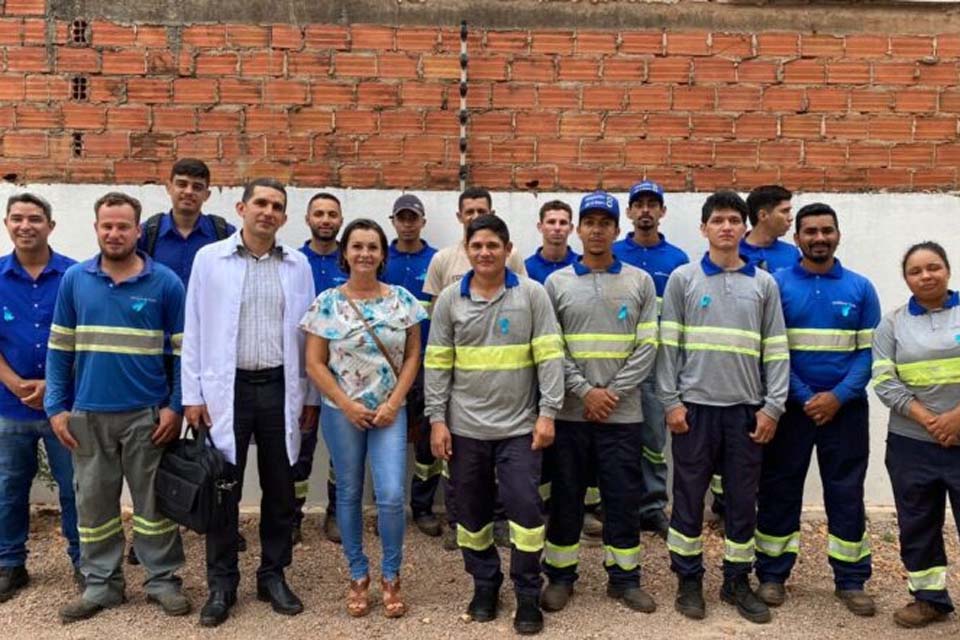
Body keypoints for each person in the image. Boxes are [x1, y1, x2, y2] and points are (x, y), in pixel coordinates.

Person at [46, 192, 190, 623]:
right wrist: (56, 406)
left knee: (154, 507)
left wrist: (175, 407)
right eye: (106, 225)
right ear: (96, 228)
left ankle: (162, 580)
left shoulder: (165, 283)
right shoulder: (75, 279)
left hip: (147, 415)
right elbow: (59, 350)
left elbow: (184, 354)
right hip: (88, 415)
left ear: (137, 229)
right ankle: (101, 584)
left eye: (123, 226)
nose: (114, 233)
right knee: (93, 506)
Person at [181, 178, 319, 627]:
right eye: (260, 202)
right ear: (241, 208)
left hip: (281, 387)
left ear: (284, 216)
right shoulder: (210, 259)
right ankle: (222, 583)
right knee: (224, 489)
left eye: (277, 206)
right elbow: (195, 328)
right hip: (228, 389)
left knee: (281, 487)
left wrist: (310, 394)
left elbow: (308, 335)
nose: (268, 211)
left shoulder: (297, 264)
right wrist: (192, 395)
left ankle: (272, 574)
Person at [426, 215, 564, 635]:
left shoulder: (532, 295)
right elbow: (437, 363)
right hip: (465, 429)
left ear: (507, 249)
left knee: (525, 512)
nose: (485, 253)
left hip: (520, 428)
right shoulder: (451, 298)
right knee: (470, 515)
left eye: (493, 245)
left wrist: (548, 413)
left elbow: (550, 356)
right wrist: (436, 420)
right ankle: (485, 586)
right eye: (477, 245)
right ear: (466, 249)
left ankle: (526, 592)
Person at [657, 190, 789, 624]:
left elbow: (776, 350)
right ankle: (688, 580)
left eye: (734, 220)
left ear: (745, 228)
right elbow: (668, 347)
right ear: (704, 228)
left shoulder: (764, 284)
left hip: (745, 412)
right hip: (694, 411)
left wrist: (772, 408)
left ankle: (736, 581)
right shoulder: (683, 279)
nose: (727, 227)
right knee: (689, 499)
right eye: (718, 220)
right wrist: (671, 402)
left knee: (741, 501)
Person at [755, 203, 880, 616]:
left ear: (838, 235)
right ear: (797, 239)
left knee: (845, 493)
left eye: (827, 230)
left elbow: (867, 354)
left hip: (845, 411)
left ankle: (850, 579)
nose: (819, 238)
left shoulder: (861, 288)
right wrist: (806, 396)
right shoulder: (777, 284)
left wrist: (838, 396)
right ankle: (772, 574)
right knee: (779, 488)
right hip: (793, 408)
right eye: (810, 231)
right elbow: (773, 351)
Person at [302, 218, 426, 619]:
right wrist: (346, 402)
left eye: (373, 247)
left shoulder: (403, 301)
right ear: (345, 253)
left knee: (390, 495)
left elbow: (412, 357)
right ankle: (358, 574)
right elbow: (315, 363)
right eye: (357, 246)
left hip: (391, 411)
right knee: (349, 494)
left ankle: (392, 574)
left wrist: (394, 402)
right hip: (343, 413)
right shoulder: (327, 303)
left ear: (382, 255)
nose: (365, 254)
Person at [540, 191, 658, 614]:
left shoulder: (639, 282)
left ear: (615, 229)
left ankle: (624, 580)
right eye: (588, 222)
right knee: (567, 495)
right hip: (572, 413)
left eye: (604, 223)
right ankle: (560, 576)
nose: (596, 230)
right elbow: (552, 348)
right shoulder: (556, 284)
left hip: (622, 414)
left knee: (622, 496)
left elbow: (648, 346)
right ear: (578, 228)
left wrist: (611, 393)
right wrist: (585, 391)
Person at [133, 159, 238, 563]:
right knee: (155, 443)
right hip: (158, 354)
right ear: (168, 187)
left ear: (208, 194)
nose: (188, 192)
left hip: (211, 356)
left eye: (197, 186)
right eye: (182, 184)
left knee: (215, 446)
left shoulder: (224, 234)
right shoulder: (150, 234)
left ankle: (216, 517)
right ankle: (153, 529)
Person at [423, 187, 527, 550]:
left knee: (504, 472)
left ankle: (498, 522)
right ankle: (459, 522)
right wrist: (438, 408)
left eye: (480, 210)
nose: (473, 215)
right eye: (468, 211)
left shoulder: (513, 265)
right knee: (461, 471)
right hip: (463, 397)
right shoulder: (443, 262)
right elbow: (440, 328)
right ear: (459, 218)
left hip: (509, 401)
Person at [872, 241, 960, 629]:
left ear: (948, 270)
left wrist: (956, 419)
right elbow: (884, 381)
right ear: (906, 278)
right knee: (917, 522)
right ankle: (929, 600)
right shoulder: (892, 323)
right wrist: (931, 421)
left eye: (933, 267)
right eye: (916, 271)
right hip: (912, 444)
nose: (926, 276)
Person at [0, 193, 80, 602]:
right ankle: (10, 563)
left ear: (51, 225)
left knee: (74, 486)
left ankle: (84, 561)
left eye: (34, 218)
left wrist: (53, 384)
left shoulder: (74, 276)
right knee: (9, 487)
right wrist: (13, 381)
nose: (25, 225)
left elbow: (84, 340)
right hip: (8, 405)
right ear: (6, 223)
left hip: (62, 404)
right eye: (17, 218)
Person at [612, 180, 689, 539]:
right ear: (628, 212)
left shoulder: (677, 261)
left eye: (652, 204)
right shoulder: (612, 254)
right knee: (617, 439)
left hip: (659, 364)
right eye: (638, 203)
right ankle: (617, 505)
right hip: (618, 363)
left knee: (655, 439)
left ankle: (653, 506)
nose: (645, 210)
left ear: (662, 212)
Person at [381, 194, 441, 537]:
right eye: (401, 217)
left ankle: (422, 507)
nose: (407, 223)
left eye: (413, 217)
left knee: (424, 441)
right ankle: (385, 505)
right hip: (383, 365)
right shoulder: (379, 257)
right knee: (382, 434)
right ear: (393, 221)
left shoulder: (435, 260)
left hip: (426, 363)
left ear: (422, 222)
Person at [296, 191, 348, 545]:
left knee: (341, 451)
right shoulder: (292, 261)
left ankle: (335, 513)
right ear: (308, 219)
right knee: (300, 448)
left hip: (345, 372)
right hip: (301, 372)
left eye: (332, 214)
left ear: (340, 221)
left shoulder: (352, 260)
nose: (326, 219)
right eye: (319, 213)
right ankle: (293, 515)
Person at [740, 185, 799, 274]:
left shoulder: (792, 253)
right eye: (785, 211)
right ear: (763, 215)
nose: (791, 218)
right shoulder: (733, 253)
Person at [524, 200, 578, 285]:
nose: (557, 228)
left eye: (563, 223)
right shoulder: (527, 268)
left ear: (571, 228)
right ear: (540, 227)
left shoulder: (580, 265)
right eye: (551, 222)